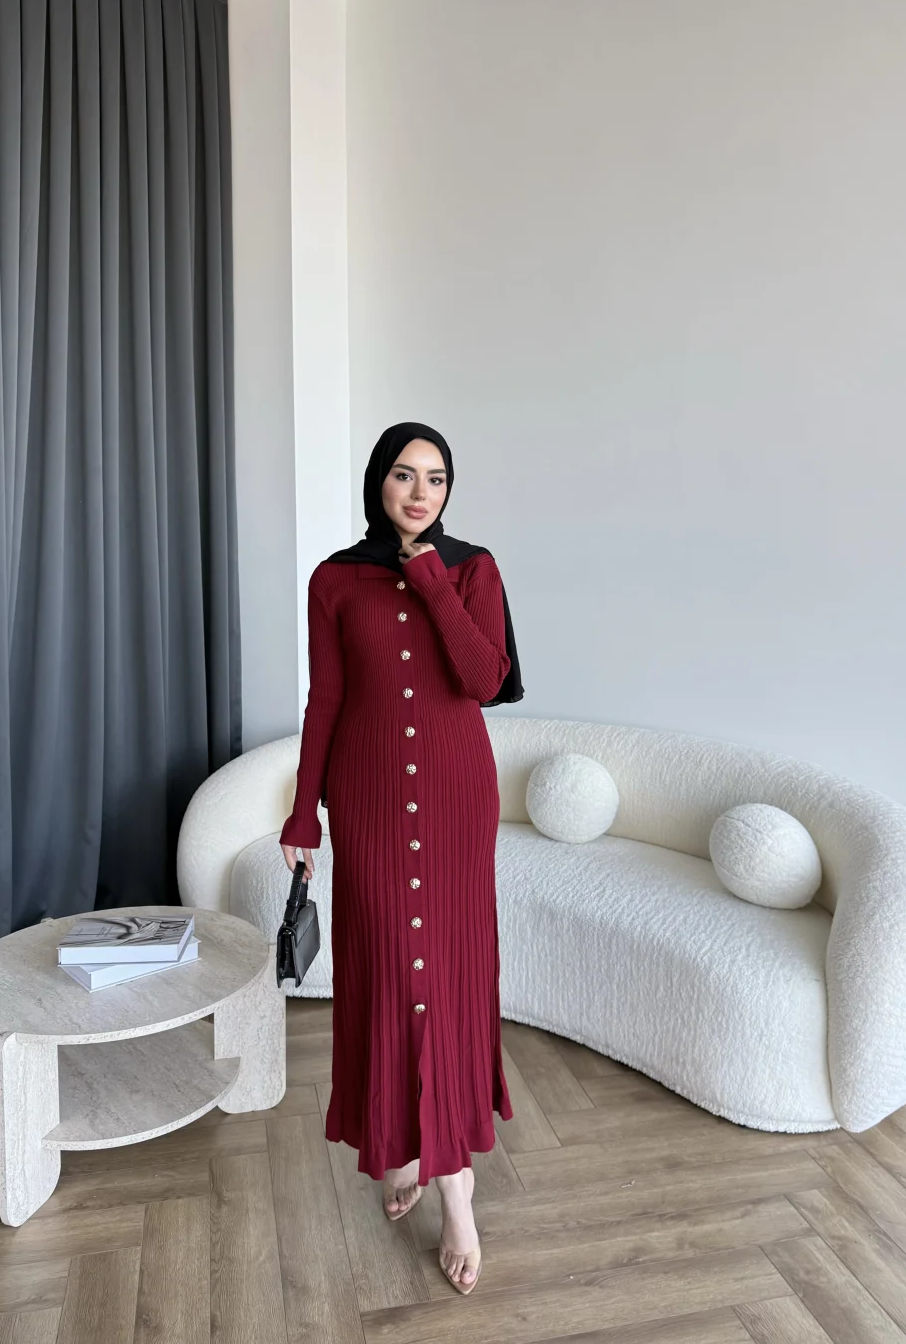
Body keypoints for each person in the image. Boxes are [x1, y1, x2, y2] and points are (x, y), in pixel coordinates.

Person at [279, 422, 524, 1295]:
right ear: (377, 482)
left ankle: (455, 1188)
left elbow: (482, 679)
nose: (421, 493)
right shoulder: (334, 580)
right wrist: (303, 813)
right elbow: (327, 700)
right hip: (371, 801)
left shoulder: (472, 569)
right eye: (404, 475)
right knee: (388, 971)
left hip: (457, 801)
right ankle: (403, 1140)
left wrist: (428, 577)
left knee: (446, 980)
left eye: (437, 478)